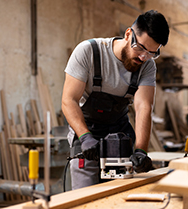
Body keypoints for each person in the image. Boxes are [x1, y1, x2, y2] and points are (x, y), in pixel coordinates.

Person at [62, 10, 170, 190]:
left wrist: (141, 150)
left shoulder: (147, 65)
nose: (143, 57)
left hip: (119, 137)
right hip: (86, 134)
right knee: (84, 196)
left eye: (152, 53)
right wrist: (85, 137)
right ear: (128, 34)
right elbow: (69, 100)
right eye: (141, 48)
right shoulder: (89, 51)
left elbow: (144, 107)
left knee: (120, 196)